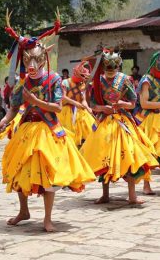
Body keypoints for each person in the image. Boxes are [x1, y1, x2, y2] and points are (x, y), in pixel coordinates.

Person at [0, 9, 95, 232]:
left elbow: (57, 107)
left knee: (49, 175)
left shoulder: (54, 79)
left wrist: (35, 102)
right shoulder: (21, 84)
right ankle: (24, 210)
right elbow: (13, 108)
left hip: (48, 131)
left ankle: (47, 218)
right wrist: (4, 120)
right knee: (20, 171)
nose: (31, 64)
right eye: (27, 59)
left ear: (43, 60)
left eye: (35, 60)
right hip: (26, 132)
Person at [80, 49, 158, 204]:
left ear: (118, 66)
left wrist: (122, 103)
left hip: (123, 122)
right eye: (107, 67)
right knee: (104, 156)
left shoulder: (125, 79)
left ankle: (132, 195)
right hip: (105, 121)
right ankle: (105, 194)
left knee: (129, 155)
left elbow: (133, 103)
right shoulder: (98, 80)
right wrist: (103, 108)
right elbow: (93, 104)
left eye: (113, 67)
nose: (110, 71)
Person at [133, 52, 160, 195]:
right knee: (149, 153)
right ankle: (146, 185)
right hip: (148, 120)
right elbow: (144, 103)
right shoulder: (146, 79)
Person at [57, 61, 96, 146]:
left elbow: (83, 99)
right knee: (68, 135)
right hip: (66, 111)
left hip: (80, 111)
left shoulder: (82, 84)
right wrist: (75, 103)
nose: (84, 78)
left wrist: (87, 107)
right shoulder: (65, 82)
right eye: (82, 76)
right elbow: (63, 98)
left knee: (90, 131)